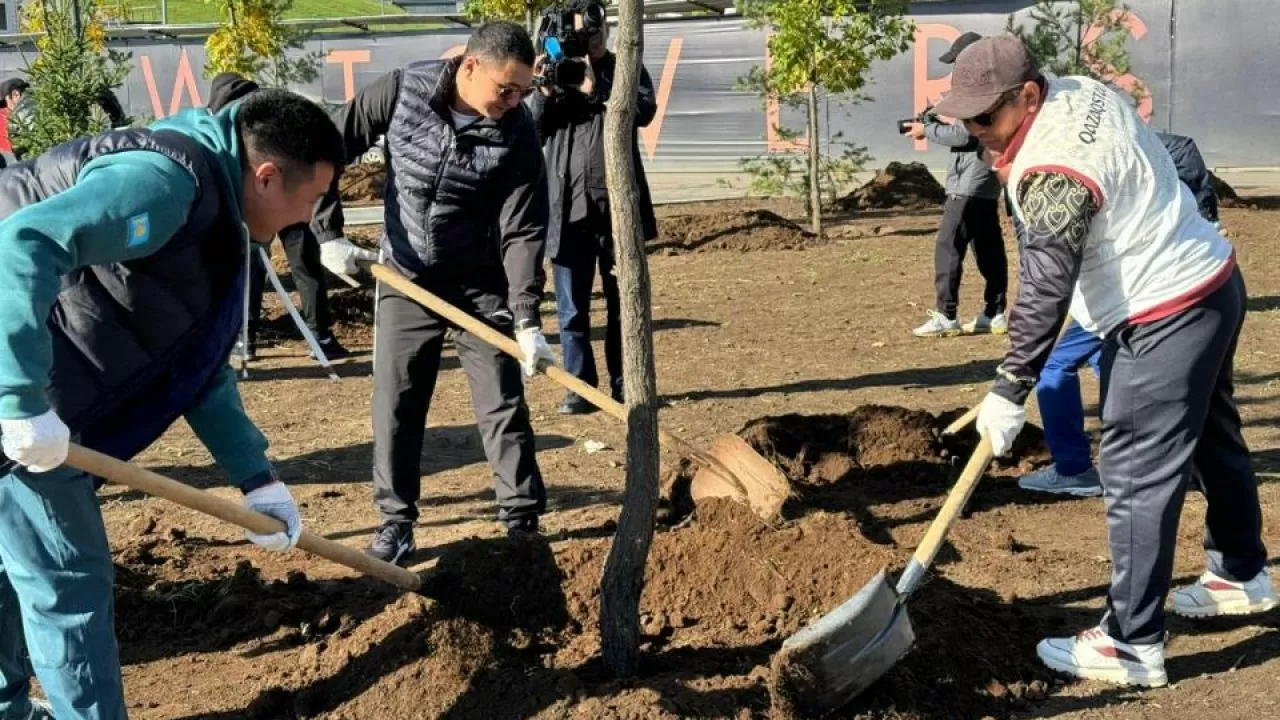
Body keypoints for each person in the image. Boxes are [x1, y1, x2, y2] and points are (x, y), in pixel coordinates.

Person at [942, 36, 1275, 688]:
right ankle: (1241, 573)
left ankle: (1130, 641)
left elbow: (1042, 288)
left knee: (1132, 471)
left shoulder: (1051, 172)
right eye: (967, 117)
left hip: (1163, 313)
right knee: (1213, 435)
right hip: (1211, 279)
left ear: (1028, 96)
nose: (975, 131)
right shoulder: (1082, 91)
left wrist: (1011, 388)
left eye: (986, 117)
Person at [0, 89, 341, 719]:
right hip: (23, 398)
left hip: (48, 402)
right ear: (266, 176)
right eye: (312, 199)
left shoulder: (219, 219)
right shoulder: (163, 183)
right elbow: (22, 242)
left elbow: (195, 363)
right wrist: (16, 399)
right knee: (66, 583)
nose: (308, 218)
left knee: (16, 569)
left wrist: (255, 477)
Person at [313, 21, 555, 564]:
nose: (513, 101)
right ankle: (396, 522)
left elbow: (523, 227)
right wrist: (327, 234)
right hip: (405, 276)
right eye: (505, 89)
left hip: (478, 282)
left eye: (522, 91)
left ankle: (521, 522)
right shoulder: (402, 91)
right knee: (396, 402)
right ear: (471, 68)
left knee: (501, 399)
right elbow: (327, 149)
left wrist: (526, 317)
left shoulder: (517, 131)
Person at [1019, 131, 1223, 497]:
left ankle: (1073, 468)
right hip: (1145, 282)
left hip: (1130, 284)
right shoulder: (1122, 144)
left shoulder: (1060, 161)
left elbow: (1049, 261)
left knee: (1053, 363)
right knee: (1108, 357)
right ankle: (1175, 462)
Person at [527, 0, 657, 413]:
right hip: (568, 212)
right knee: (571, 308)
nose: (587, 45)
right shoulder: (554, 70)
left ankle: (626, 385)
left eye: (594, 37)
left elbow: (644, 111)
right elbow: (534, 130)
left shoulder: (624, 67)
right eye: (581, 38)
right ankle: (581, 388)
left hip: (616, 209)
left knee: (624, 303)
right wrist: (546, 91)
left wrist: (595, 88)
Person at [207, 71, 359, 361]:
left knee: (255, 270)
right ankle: (319, 336)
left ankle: (246, 339)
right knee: (303, 267)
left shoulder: (225, 126)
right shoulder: (271, 116)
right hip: (287, 200)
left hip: (265, 204)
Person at [907, 31, 1008, 338]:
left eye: (957, 62)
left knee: (948, 247)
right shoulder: (996, 89)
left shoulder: (981, 93)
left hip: (968, 185)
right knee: (988, 249)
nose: (955, 70)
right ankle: (995, 312)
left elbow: (965, 136)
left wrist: (927, 130)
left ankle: (946, 314)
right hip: (985, 184)